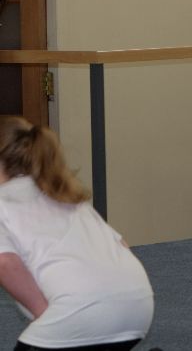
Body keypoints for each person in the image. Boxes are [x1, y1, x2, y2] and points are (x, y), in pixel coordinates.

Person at [0, 116, 154, 351]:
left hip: (80, 311)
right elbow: (121, 245)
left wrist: (43, 312)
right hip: (138, 305)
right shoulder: (62, 193)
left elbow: (5, 263)